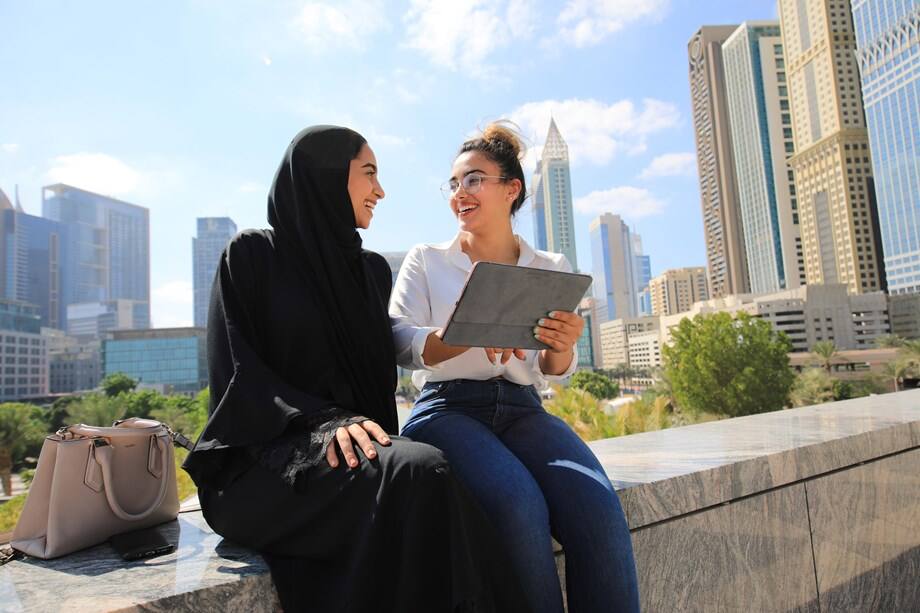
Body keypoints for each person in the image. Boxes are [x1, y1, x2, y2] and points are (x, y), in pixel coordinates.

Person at [183, 125, 523, 613]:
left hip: (354, 456)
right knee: (423, 470)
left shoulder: (369, 271)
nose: (380, 191)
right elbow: (239, 371)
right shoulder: (253, 255)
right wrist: (324, 424)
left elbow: (376, 384)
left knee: (428, 478)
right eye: (368, 174)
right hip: (263, 465)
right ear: (322, 178)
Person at [390, 122, 641, 613]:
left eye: (475, 179)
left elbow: (553, 368)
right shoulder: (427, 260)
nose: (461, 193)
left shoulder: (551, 265)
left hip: (524, 411)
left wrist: (564, 345)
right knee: (518, 504)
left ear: (512, 189)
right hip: (447, 411)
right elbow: (399, 340)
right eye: (455, 183)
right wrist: (453, 336)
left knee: (599, 508)